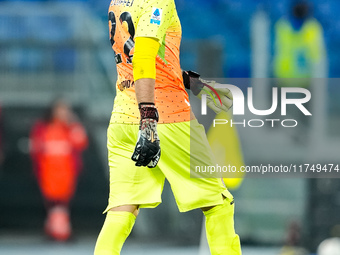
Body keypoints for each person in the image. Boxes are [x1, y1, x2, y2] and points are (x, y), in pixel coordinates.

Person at [94, 0, 241, 254]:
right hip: (167, 116)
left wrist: (194, 83)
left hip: (122, 117)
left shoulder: (118, 1)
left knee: (122, 209)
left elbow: (149, 59)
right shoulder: (158, 2)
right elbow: (143, 57)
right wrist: (148, 116)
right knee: (217, 203)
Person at [30, 99, 88, 241]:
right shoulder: (42, 128)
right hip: (48, 173)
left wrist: (74, 123)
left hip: (67, 173)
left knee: (62, 204)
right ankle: (56, 231)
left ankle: (60, 231)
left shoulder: (69, 128)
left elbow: (81, 142)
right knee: (53, 204)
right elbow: (36, 149)